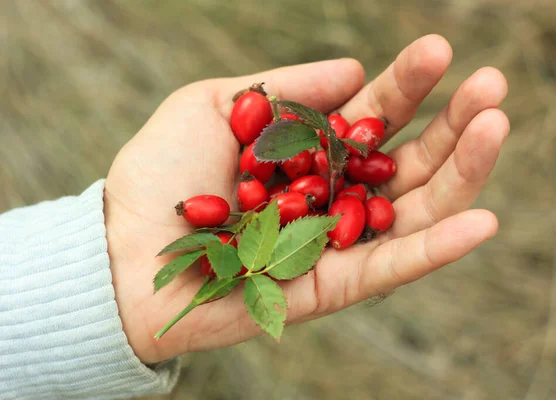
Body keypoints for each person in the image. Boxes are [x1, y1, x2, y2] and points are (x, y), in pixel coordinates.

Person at [0, 34, 509, 399]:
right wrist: (116, 256)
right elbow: (284, 191)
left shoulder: (308, 180)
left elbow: (337, 186)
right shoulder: (257, 190)